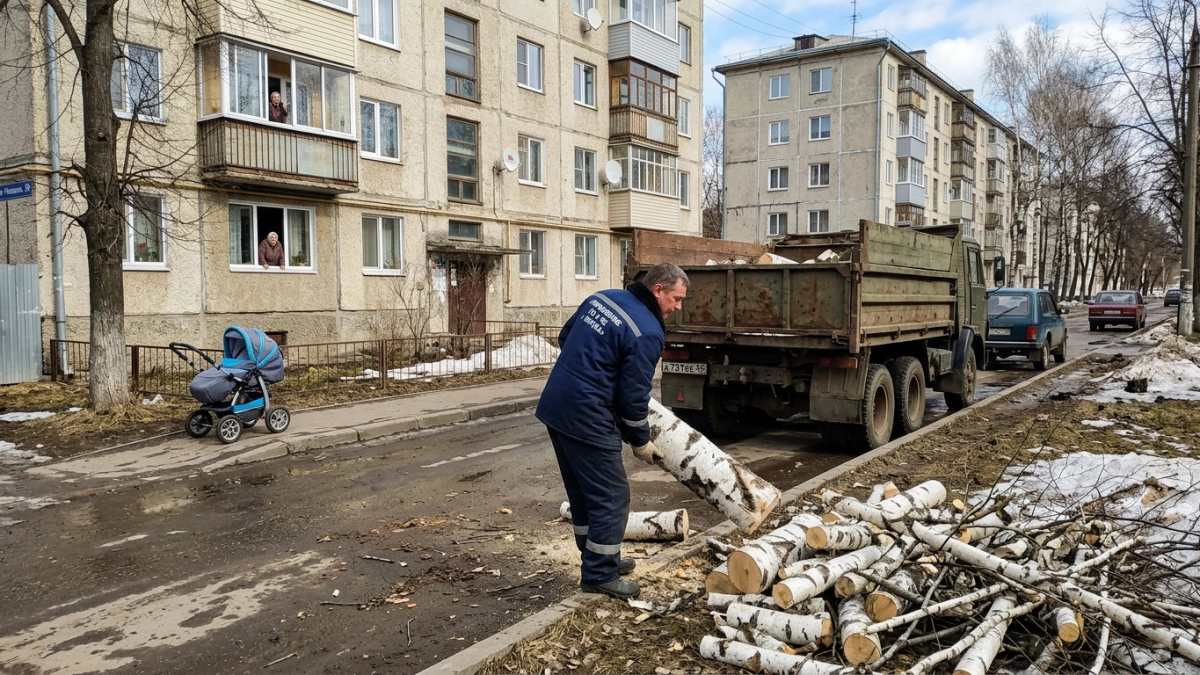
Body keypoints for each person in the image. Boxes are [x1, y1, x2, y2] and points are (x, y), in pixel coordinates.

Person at [536, 262, 689, 600]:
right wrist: (640, 440)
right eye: (676, 299)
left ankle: (599, 556)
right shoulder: (648, 330)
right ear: (658, 290)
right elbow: (633, 396)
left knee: (583, 491)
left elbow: (566, 337)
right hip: (588, 415)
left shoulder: (602, 299)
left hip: (555, 406)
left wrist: (588, 370)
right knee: (611, 496)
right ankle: (600, 574)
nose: (677, 308)